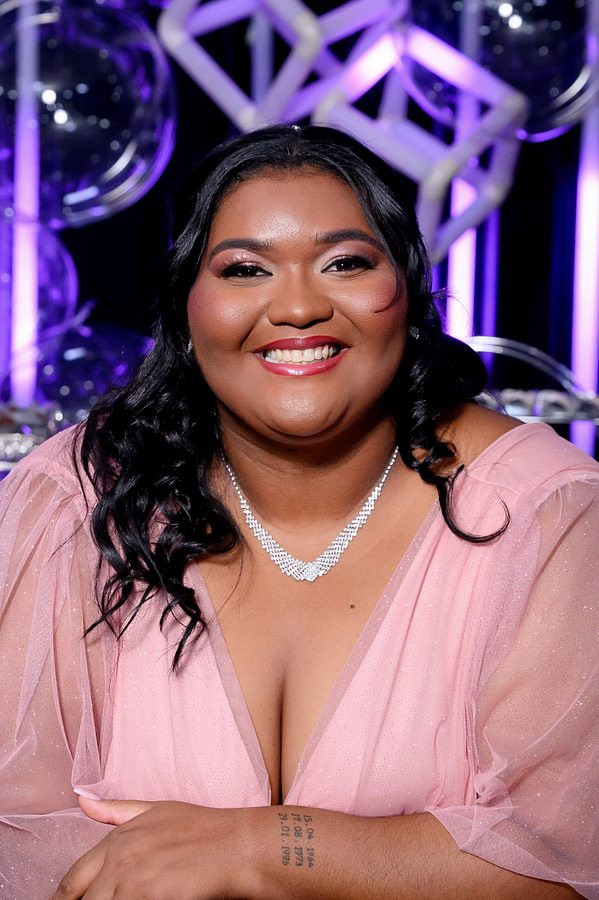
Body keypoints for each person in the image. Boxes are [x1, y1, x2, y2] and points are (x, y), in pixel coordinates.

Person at [0, 124, 597, 900]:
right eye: (245, 269)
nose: (298, 307)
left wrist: (263, 848)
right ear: (185, 310)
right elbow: (17, 837)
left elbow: (561, 867)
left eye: (344, 262)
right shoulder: (76, 500)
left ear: (408, 292)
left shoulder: (546, 512)